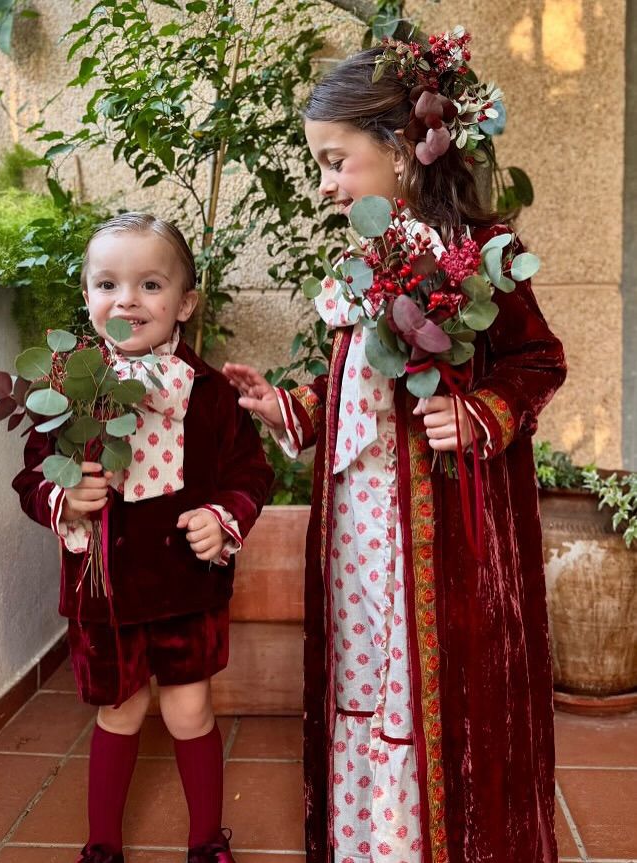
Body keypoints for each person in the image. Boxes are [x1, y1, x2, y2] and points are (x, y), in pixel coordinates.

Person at [223, 37, 566, 863]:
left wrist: (482, 412)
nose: (325, 185)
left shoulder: (482, 254)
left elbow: (537, 361)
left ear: (405, 152)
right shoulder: (363, 261)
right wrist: (289, 408)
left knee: (429, 686)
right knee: (363, 677)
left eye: (336, 162)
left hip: (439, 535)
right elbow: (354, 385)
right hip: (360, 535)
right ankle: (374, 843)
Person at [12, 213, 273, 863]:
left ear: (185, 302)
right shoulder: (68, 390)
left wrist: (224, 516)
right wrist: (63, 497)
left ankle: (205, 840)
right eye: (107, 284)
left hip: (187, 585)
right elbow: (31, 475)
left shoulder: (210, 395)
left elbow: (250, 473)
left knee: (190, 714)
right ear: (88, 296)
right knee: (118, 712)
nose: (126, 299)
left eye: (149, 284)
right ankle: (102, 843)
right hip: (107, 593)